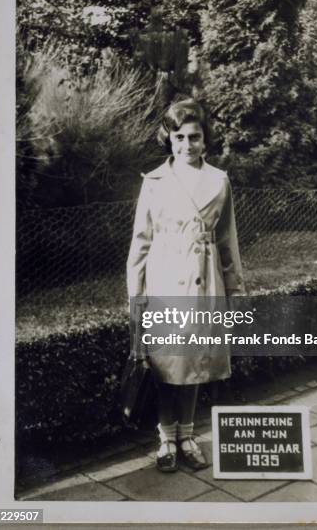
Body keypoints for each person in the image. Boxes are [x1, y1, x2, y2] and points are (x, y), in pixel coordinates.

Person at [126, 97, 245, 472]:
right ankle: (165, 439)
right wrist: (136, 297)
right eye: (179, 137)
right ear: (169, 139)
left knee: (193, 362)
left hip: (203, 281)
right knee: (165, 364)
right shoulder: (155, 182)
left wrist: (236, 291)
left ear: (205, 140)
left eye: (194, 137)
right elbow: (140, 243)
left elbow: (228, 241)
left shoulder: (219, 180)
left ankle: (188, 435)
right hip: (164, 280)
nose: (186, 145)